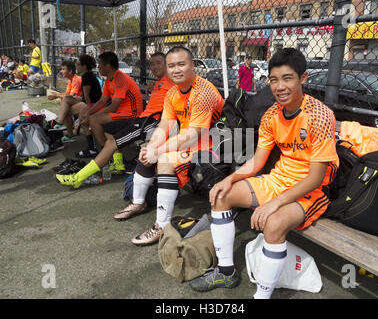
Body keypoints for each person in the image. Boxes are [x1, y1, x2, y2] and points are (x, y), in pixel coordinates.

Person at [189, 48, 339, 298]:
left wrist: (274, 205)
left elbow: (315, 177)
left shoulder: (320, 115)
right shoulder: (271, 114)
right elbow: (258, 161)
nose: (280, 86)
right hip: (277, 181)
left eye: (288, 78)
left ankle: (263, 294)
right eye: (274, 79)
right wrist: (229, 179)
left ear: (303, 78)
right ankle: (226, 272)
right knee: (220, 196)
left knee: (273, 224)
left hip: (310, 191)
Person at [122, 46, 224, 246]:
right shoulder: (172, 93)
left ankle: (162, 226)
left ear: (192, 65)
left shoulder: (203, 92)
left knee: (164, 159)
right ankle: (138, 203)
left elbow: (194, 133)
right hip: (191, 144)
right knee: (147, 151)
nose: (176, 70)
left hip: (215, 149)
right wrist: (151, 147)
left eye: (181, 64)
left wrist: (159, 151)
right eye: (171, 66)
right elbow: (164, 126)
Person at [56, 52, 173, 189]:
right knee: (107, 130)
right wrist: (88, 111)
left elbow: (178, 96)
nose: (154, 66)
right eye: (152, 63)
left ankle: (79, 177)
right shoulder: (159, 82)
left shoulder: (171, 82)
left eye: (158, 63)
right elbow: (102, 101)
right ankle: (116, 162)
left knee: (110, 142)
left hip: (148, 122)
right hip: (141, 119)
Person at [54, 54, 102, 151]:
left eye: (78, 64)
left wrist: (88, 111)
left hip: (93, 104)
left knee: (66, 109)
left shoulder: (86, 77)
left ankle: (65, 128)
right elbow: (84, 96)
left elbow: (88, 97)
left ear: (84, 66)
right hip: (88, 101)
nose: (76, 66)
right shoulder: (86, 75)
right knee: (66, 99)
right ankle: (60, 122)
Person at [48, 60, 83, 142]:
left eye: (63, 69)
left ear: (70, 71)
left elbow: (71, 96)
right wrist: (56, 95)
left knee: (65, 107)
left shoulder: (76, 79)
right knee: (64, 104)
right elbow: (67, 94)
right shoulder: (70, 80)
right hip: (76, 102)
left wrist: (56, 95)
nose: (61, 71)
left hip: (83, 102)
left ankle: (61, 123)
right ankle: (69, 134)